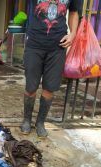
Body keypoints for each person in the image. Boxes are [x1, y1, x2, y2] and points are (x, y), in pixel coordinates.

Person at [21, 0, 81, 138]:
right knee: (31, 87)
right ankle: (27, 120)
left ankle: (40, 122)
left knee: (50, 87)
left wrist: (72, 34)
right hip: (34, 44)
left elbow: (74, 12)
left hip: (58, 46)